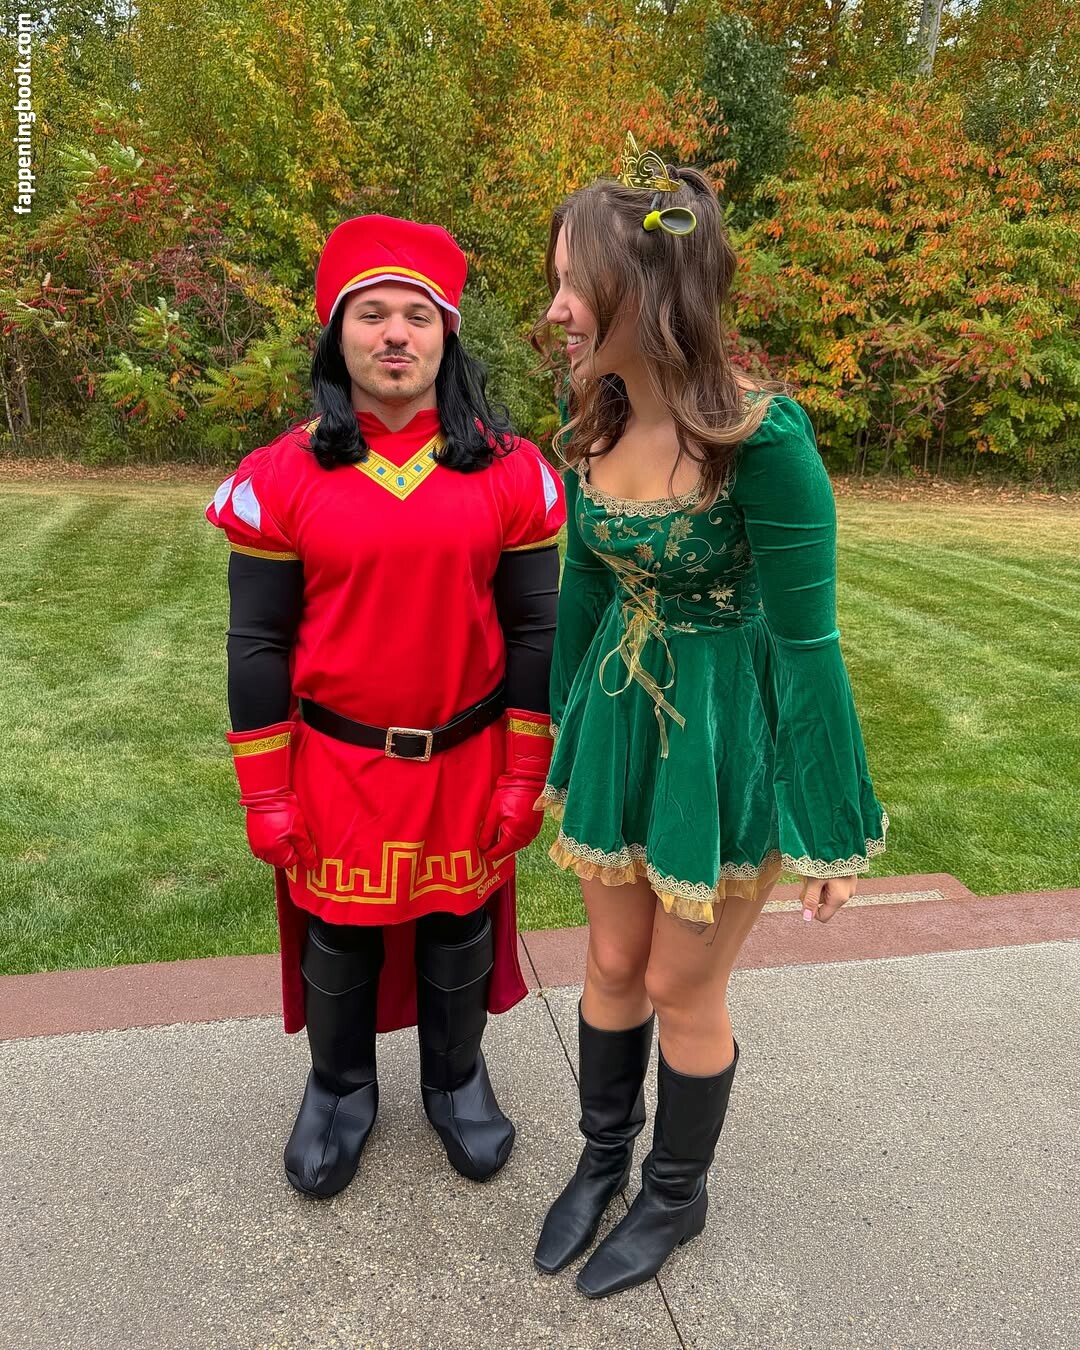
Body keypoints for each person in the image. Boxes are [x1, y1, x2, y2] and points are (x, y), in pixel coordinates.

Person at [530, 138, 888, 1298]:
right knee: (612, 958)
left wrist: (830, 824)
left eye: (572, 284)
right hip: (621, 721)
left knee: (682, 986)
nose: (555, 310)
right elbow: (585, 593)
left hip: (725, 737)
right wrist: (551, 747)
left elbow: (808, 639)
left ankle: (674, 1195)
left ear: (645, 289)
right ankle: (601, 1162)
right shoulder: (595, 417)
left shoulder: (760, 440)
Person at [206, 215, 565, 1197]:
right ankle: (339, 1088)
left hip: (469, 756)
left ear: (448, 335)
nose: (396, 333)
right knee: (340, 931)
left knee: (459, 922)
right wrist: (265, 792)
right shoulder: (280, 477)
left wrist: (525, 774)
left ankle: (456, 1081)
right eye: (373, 315)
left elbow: (536, 633)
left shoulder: (511, 472)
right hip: (335, 764)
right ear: (339, 335)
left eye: (418, 314)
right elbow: (257, 643)